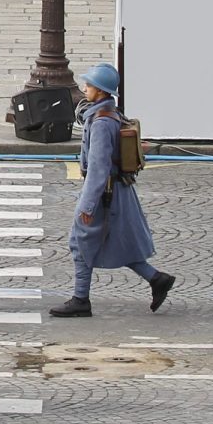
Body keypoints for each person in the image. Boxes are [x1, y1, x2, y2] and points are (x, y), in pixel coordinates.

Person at [50, 63, 176, 318]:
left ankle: (80, 299)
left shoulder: (100, 123)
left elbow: (98, 168)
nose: (85, 88)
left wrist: (87, 206)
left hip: (105, 194)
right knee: (119, 244)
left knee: (79, 242)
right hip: (116, 192)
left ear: (100, 91)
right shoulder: (108, 114)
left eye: (90, 85)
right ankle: (156, 279)